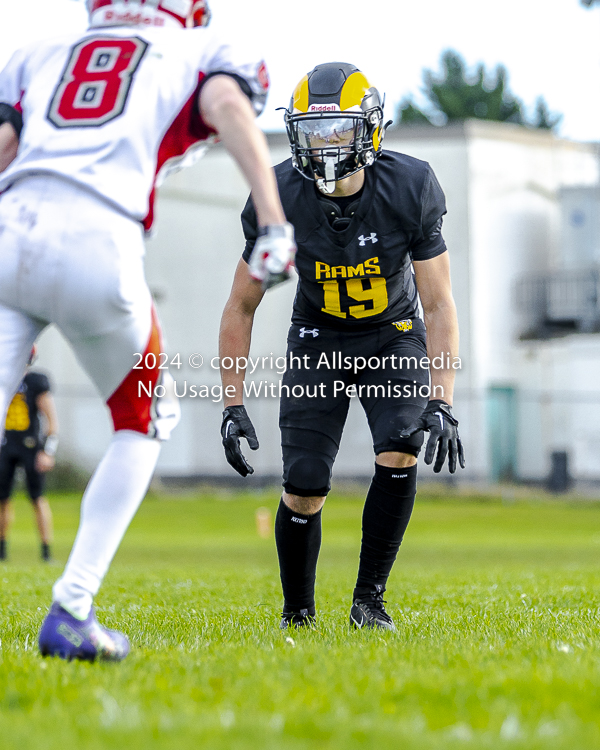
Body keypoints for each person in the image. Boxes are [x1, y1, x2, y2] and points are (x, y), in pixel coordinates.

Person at [0, 0, 295, 661]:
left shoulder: (38, 53)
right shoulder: (196, 49)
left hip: (9, 228)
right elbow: (226, 102)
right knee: (147, 418)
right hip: (98, 236)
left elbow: (8, 145)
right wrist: (274, 222)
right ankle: (73, 607)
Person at [219, 62, 465, 631]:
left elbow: (439, 303)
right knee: (303, 483)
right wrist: (232, 404)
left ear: (370, 130)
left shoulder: (410, 185)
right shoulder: (277, 194)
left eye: (339, 131)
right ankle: (297, 615)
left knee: (401, 447)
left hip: (393, 335)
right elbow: (241, 304)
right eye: (314, 132)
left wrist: (442, 398)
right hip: (318, 337)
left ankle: (369, 601)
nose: (327, 146)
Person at [0, 355, 58, 562]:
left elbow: (51, 420)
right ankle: (2, 551)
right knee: (2, 500)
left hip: (30, 445)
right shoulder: (4, 378)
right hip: (5, 444)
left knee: (37, 497)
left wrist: (48, 451)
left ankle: (46, 552)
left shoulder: (35, 381)